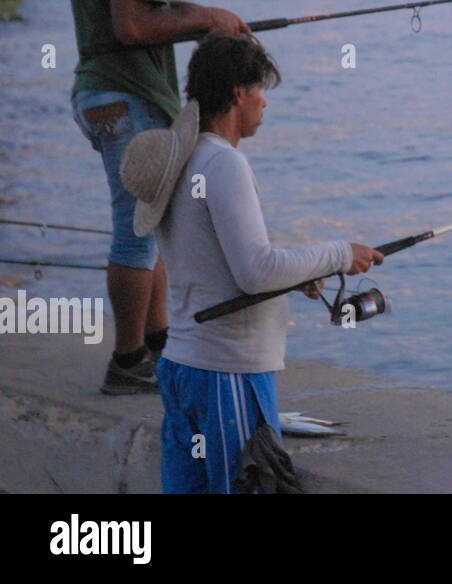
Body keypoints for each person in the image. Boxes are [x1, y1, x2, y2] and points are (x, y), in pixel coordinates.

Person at [121, 33, 384, 493]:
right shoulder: (224, 165)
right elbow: (256, 271)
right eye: (261, 89)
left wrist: (299, 274)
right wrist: (340, 253)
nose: (265, 102)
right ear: (239, 93)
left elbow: (211, 261)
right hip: (227, 373)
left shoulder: (181, 161)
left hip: (183, 367)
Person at [63, 0, 248, 395]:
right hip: (126, 96)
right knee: (135, 232)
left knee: (155, 222)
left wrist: (204, 18)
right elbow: (135, 25)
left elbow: (140, 11)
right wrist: (206, 20)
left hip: (99, 90)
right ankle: (126, 361)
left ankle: (160, 341)